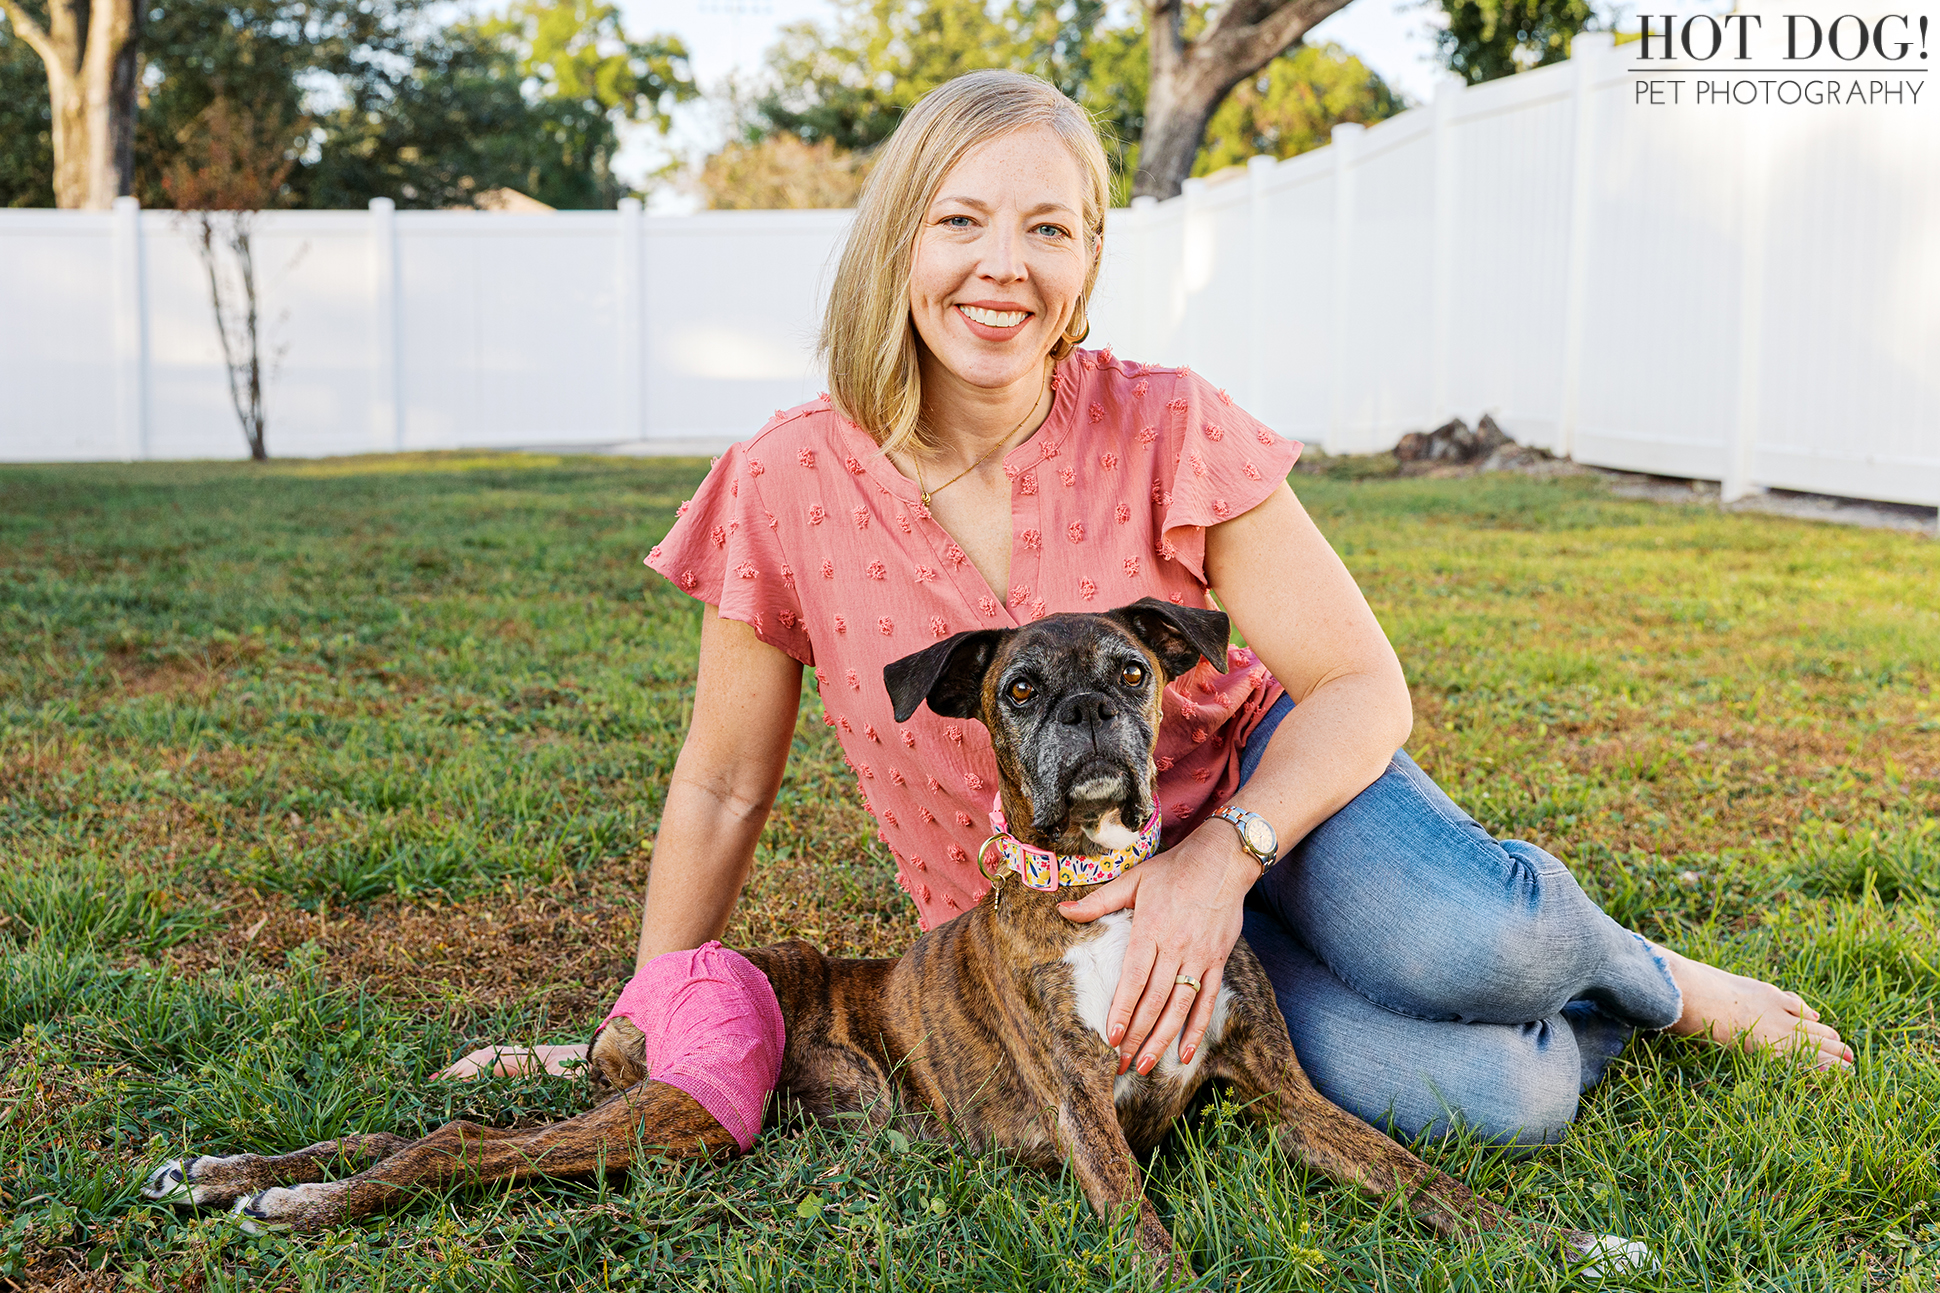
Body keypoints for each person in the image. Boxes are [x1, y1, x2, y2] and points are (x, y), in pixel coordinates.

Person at [440, 71, 1850, 1145]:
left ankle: (1644, 968)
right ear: (896, 245)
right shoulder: (786, 479)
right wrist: (648, 1016)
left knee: (1483, 949)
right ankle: (1473, 1010)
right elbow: (720, 785)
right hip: (1055, 911)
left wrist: (1216, 862)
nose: (1006, 264)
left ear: (1089, 263)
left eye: (1049, 227)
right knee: (1486, 1096)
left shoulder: (1169, 424)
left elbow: (1362, 686)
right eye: (963, 221)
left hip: (1274, 803)